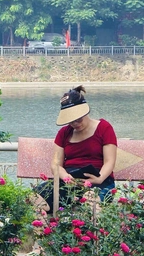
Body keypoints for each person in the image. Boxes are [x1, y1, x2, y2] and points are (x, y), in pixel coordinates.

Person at [38, 85, 118, 213]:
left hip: (98, 179)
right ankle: (41, 231)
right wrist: (66, 178)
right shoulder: (64, 133)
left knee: (90, 201)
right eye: (71, 121)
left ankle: (92, 232)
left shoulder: (104, 128)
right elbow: (55, 164)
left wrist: (99, 178)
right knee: (34, 199)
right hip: (69, 180)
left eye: (78, 119)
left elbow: (109, 161)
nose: (75, 124)